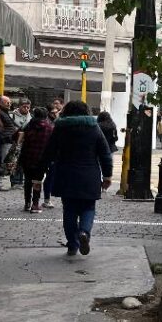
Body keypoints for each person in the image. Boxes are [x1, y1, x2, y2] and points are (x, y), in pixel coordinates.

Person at [41, 100, 113, 256]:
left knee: (69, 210)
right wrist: (107, 175)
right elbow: (105, 153)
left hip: (66, 174)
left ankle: (72, 245)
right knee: (88, 208)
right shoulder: (94, 128)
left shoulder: (60, 128)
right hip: (89, 175)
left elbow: (48, 152)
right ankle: (84, 232)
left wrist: (38, 176)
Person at [18, 107, 53, 213]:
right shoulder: (49, 128)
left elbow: (16, 136)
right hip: (41, 159)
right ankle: (35, 204)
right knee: (37, 181)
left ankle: (27, 203)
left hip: (27, 157)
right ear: (45, 116)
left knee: (27, 180)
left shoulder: (28, 125)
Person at [0, 95, 17, 191]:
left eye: (10, 102)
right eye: (7, 102)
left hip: (8, 140)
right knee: (1, 162)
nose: (9, 104)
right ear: (0, 103)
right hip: (4, 141)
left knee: (4, 162)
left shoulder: (5, 112)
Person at [11, 99, 32, 186]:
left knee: (24, 161)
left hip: (26, 142)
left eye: (28, 107)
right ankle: (14, 180)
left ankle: (21, 180)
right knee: (15, 161)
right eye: (24, 107)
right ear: (19, 106)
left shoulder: (31, 117)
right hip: (15, 141)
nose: (26, 109)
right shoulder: (12, 115)